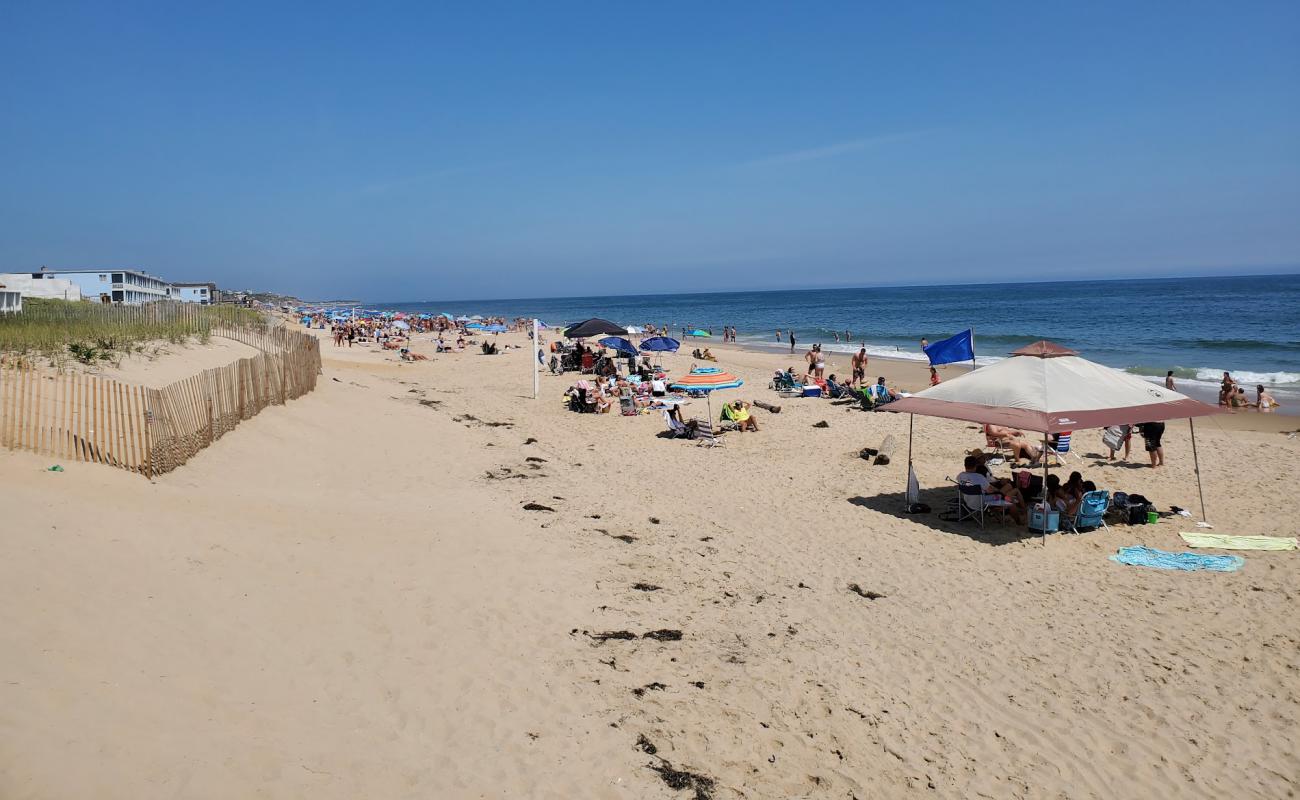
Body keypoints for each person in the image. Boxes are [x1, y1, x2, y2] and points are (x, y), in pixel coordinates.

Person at [956, 455, 1025, 524]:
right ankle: (1018, 521)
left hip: (968, 503)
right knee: (1010, 500)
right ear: (975, 466)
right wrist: (999, 491)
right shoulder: (979, 477)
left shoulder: (960, 476)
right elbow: (990, 491)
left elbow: (969, 484)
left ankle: (1001, 518)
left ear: (965, 465)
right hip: (981, 503)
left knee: (1004, 495)